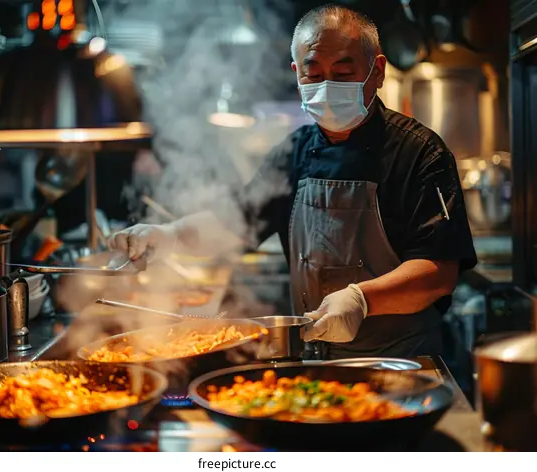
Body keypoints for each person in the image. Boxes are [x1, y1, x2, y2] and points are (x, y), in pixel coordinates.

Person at [109, 5, 477, 359]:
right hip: (313, 355)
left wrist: (361, 300)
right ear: (296, 72)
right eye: (312, 75)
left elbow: (438, 272)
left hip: (400, 361)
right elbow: (234, 224)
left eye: (343, 73)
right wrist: (169, 234)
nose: (326, 86)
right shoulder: (294, 151)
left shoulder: (420, 153)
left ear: (377, 71)